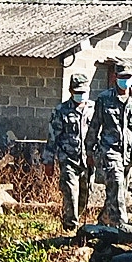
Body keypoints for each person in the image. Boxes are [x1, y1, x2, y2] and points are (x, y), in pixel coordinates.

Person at [90, 59, 132, 227]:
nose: (126, 80)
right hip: (110, 151)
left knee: (117, 191)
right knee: (117, 182)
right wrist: (89, 151)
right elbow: (94, 126)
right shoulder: (104, 99)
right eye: (122, 76)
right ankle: (121, 227)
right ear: (115, 77)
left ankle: (103, 221)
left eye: (129, 76)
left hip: (130, 153)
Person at [48, 73, 98, 232]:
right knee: (70, 192)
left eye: (83, 91)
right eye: (77, 92)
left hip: (88, 160)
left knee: (84, 194)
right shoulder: (61, 110)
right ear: (70, 91)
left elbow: (101, 133)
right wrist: (48, 159)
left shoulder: (95, 109)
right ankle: (70, 226)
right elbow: (52, 137)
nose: (80, 95)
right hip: (68, 159)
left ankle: (78, 226)